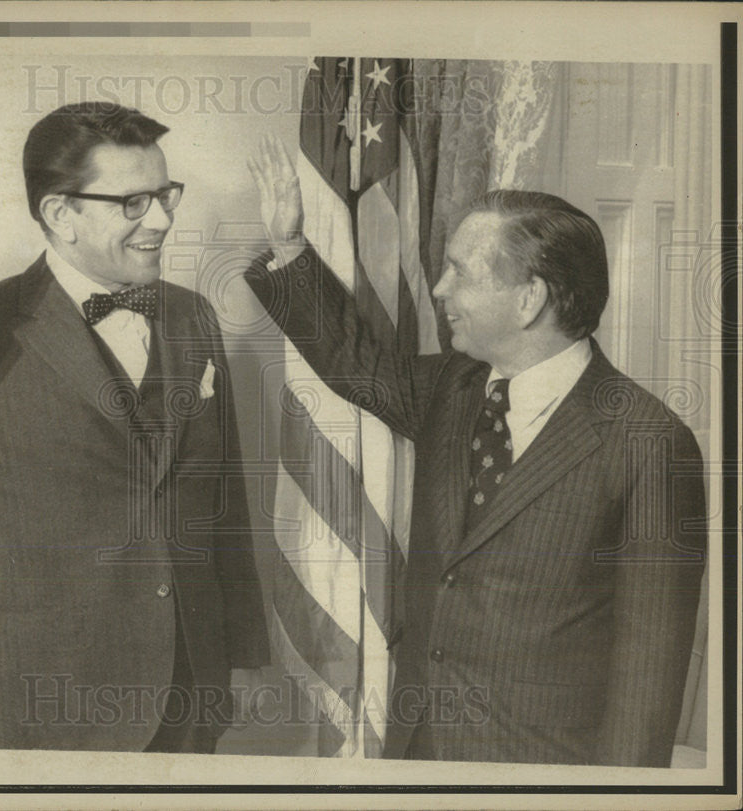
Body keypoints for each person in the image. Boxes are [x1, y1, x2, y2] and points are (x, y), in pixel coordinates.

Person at [244, 136, 707, 766]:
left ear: (530, 299)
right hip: (419, 749)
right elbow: (356, 362)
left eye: (461, 270)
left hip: (542, 771)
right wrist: (291, 246)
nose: (438, 289)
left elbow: (648, 675)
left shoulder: (648, 442)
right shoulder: (454, 388)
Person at [0, 102, 270, 753]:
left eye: (164, 195)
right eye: (133, 202)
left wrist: (241, 655)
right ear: (59, 214)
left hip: (190, 691)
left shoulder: (192, 315)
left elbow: (223, 492)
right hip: (55, 703)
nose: (161, 219)